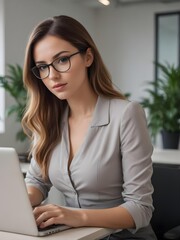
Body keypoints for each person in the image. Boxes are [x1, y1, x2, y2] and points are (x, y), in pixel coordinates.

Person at [22, 15, 156, 239]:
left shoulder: (126, 114)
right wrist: (14, 202)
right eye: (42, 67)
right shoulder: (47, 119)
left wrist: (76, 216)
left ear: (88, 57)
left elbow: (140, 208)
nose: (52, 75)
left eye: (62, 60)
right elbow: (36, 181)